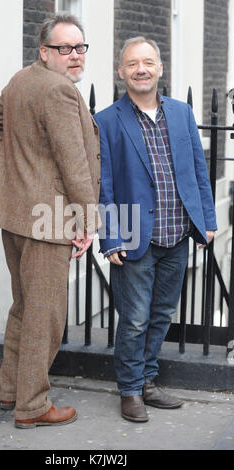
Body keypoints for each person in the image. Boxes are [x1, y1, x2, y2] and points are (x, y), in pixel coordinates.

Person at [0, 13, 101, 429]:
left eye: (80, 48)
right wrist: (87, 223)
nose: (74, 56)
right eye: (64, 48)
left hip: (14, 214)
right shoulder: (59, 91)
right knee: (46, 315)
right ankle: (32, 406)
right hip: (48, 221)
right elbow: (75, 165)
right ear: (44, 51)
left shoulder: (22, 79)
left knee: (24, 305)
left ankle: (11, 389)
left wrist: (9, 176)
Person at [94, 37, 217, 423]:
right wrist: (110, 236)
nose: (141, 69)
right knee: (133, 318)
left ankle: (148, 381)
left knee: (162, 313)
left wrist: (207, 222)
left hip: (178, 233)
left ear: (160, 68)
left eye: (148, 62)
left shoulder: (181, 113)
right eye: (133, 64)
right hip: (134, 235)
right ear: (121, 72)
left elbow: (199, 170)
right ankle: (130, 390)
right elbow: (103, 185)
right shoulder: (107, 120)